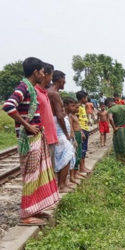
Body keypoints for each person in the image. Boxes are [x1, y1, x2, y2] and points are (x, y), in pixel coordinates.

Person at [2, 57, 59, 225]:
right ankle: (26, 215)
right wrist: (26, 125)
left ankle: (35, 208)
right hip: (29, 139)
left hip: (35, 137)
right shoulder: (23, 87)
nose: (44, 74)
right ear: (36, 72)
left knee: (38, 175)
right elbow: (9, 105)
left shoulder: (30, 88)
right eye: (42, 71)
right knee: (31, 176)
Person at [35, 63, 58, 171]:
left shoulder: (44, 92)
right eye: (51, 75)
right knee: (44, 173)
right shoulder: (34, 92)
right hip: (43, 140)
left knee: (50, 172)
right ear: (46, 74)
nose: (52, 78)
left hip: (50, 138)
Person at [105, 97, 125, 170]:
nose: (108, 106)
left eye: (107, 105)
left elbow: (110, 118)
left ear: (109, 103)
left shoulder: (110, 109)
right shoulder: (124, 106)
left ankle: (121, 162)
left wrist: (114, 128)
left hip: (118, 130)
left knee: (118, 145)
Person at [54, 97, 77, 193]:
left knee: (64, 160)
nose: (73, 108)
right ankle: (61, 185)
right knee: (65, 160)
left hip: (63, 138)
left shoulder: (66, 115)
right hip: (62, 138)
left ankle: (62, 183)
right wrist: (67, 136)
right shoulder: (61, 114)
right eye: (72, 106)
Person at [68, 100, 84, 182]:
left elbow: (78, 125)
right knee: (75, 155)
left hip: (78, 134)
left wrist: (81, 133)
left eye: (78, 107)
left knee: (79, 153)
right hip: (75, 135)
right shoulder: (70, 116)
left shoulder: (75, 116)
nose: (77, 109)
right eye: (76, 107)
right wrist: (74, 139)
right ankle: (72, 176)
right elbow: (71, 127)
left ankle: (76, 172)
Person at [76, 90, 91, 175]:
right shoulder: (78, 107)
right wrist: (81, 131)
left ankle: (83, 166)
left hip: (85, 128)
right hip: (82, 129)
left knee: (84, 149)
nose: (86, 99)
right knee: (82, 149)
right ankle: (81, 167)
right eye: (85, 97)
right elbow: (76, 120)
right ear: (82, 98)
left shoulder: (82, 106)